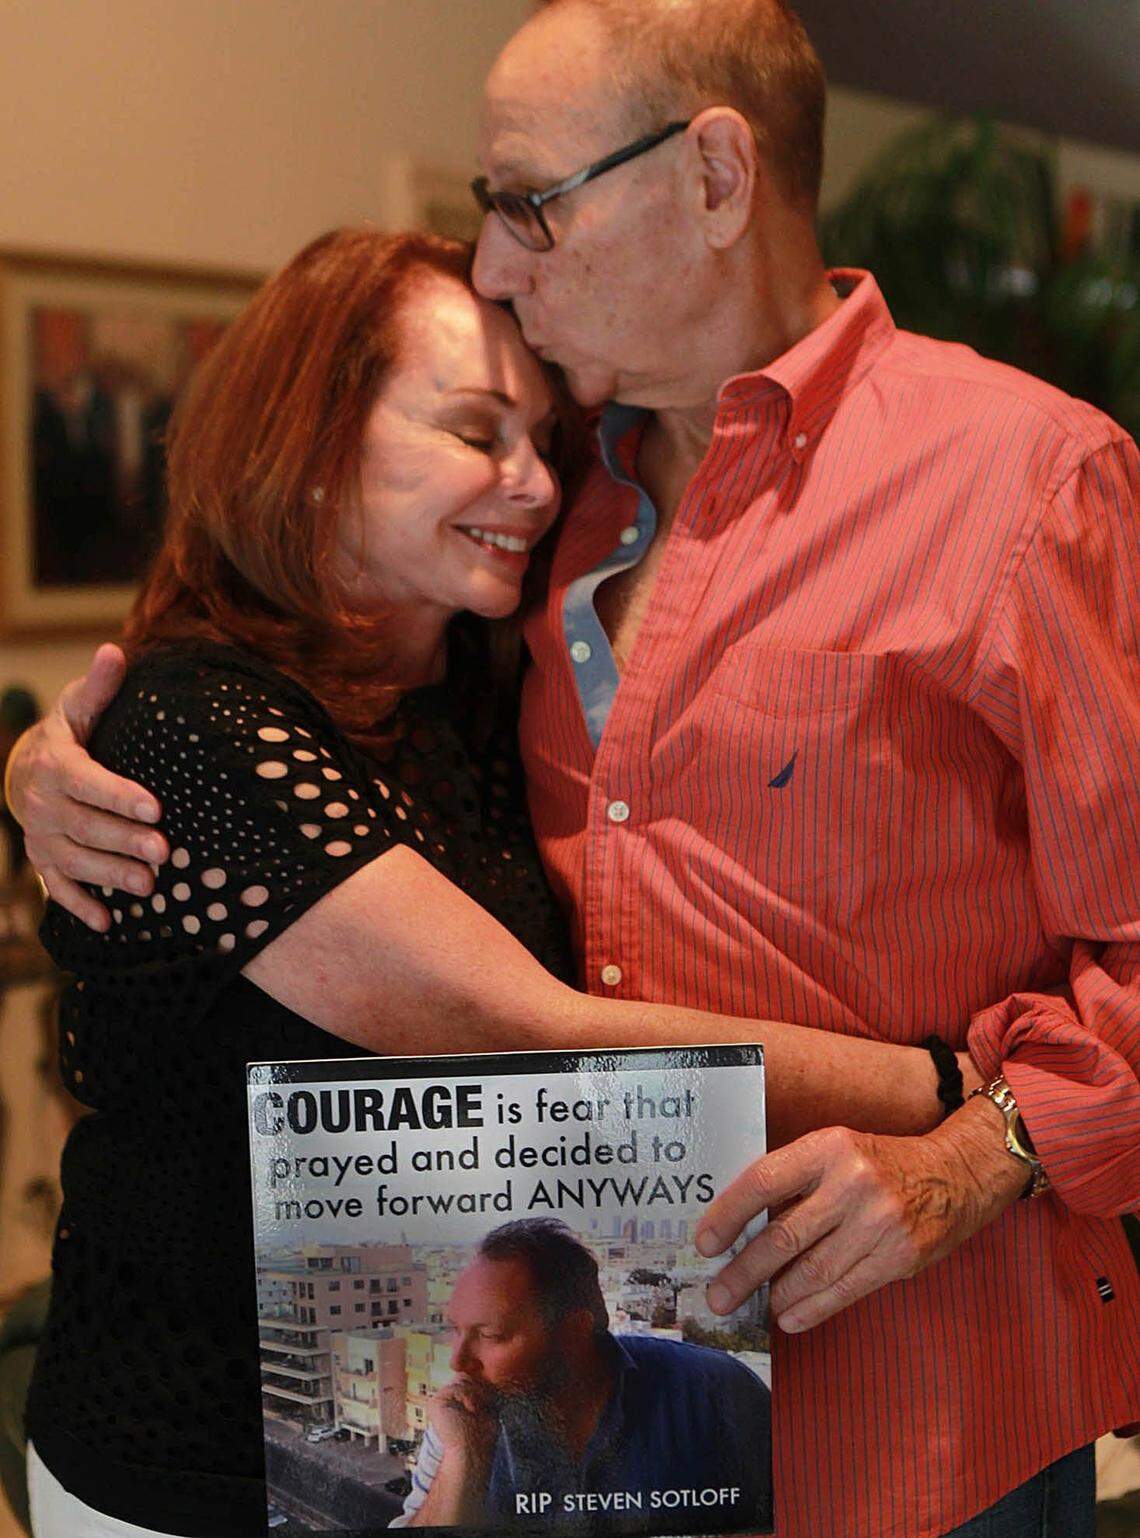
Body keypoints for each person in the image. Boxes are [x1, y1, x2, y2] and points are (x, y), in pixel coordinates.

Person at [9, 1, 1138, 1533]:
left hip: (922, 1407)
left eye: (528, 203)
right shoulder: (557, 534)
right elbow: (288, 722)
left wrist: (972, 1146)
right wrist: (43, 764)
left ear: (718, 176)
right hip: (592, 1447)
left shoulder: (1027, 478)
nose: (493, 262)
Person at [390, 1218, 771, 1533]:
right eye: (455, 1330)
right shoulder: (464, 1418)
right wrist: (464, 1463)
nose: (458, 1362)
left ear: (573, 1333)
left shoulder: (715, 1394)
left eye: (491, 1335)